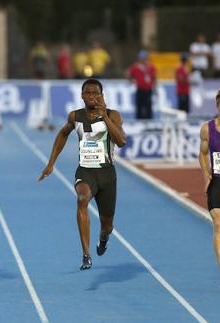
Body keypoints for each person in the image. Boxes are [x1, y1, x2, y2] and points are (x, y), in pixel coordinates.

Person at [38, 79, 126, 270]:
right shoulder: (75, 117)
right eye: (88, 93)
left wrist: (105, 117)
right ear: (82, 95)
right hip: (85, 171)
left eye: (96, 93)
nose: (92, 97)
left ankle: (103, 237)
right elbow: (62, 135)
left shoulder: (114, 115)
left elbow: (121, 141)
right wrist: (51, 163)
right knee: (81, 198)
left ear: (102, 96)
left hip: (107, 174)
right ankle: (86, 254)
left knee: (108, 225)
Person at [198, 90, 220, 270]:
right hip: (217, 181)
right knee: (218, 222)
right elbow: (203, 153)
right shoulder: (207, 129)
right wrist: (207, 175)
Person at [126, 50, 157, 120]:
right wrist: (131, 80)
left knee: (148, 106)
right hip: (140, 89)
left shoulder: (151, 67)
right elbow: (128, 73)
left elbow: (154, 77)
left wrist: (154, 86)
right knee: (139, 107)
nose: (143, 59)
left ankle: (149, 121)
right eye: (142, 58)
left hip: (148, 90)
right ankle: (139, 121)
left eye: (145, 58)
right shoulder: (136, 66)